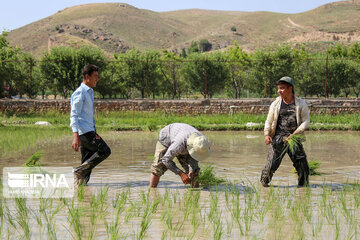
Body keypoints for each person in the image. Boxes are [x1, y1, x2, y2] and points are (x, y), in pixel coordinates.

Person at [260, 76, 310, 187]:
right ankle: (263, 185)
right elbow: (269, 120)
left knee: (303, 167)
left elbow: (306, 121)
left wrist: (296, 133)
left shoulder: (301, 104)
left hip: (294, 139)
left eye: (282, 88)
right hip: (278, 138)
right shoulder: (276, 104)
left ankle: (303, 189)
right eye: (278, 88)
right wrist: (267, 134)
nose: (279, 91)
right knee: (271, 166)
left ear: (290, 88)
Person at [70, 64, 111, 186]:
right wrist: (75, 136)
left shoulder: (90, 92)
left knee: (86, 166)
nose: (97, 79)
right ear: (87, 76)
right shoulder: (80, 93)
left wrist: (94, 132)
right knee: (104, 150)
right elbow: (74, 115)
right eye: (95, 76)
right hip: (83, 132)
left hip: (89, 131)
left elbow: (88, 116)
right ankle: (79, 170)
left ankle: (80, 192)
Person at [149, 123, 211, 188]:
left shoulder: (202, 142)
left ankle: (195, 193)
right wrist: (181, 174)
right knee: (158, 168)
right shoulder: (179, 144)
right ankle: (152, 193)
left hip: (184, 139)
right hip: (167, 137)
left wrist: (191, 169)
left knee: (194, 173)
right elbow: (166, 159)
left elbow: (194, 158)